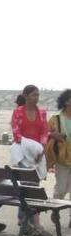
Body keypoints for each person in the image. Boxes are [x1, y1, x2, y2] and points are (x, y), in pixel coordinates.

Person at [10, 85, 51, 236]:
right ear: (26, 96)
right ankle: (27, 221)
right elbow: (16, 133)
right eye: (34, 95)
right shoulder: (18, 112)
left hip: (36, 154)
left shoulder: (42, 113)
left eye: (38, 95)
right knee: (27, 188)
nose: (36, 97)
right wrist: (30, 148)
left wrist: (40, 150)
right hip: (23, 153)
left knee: (32, 186)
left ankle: (26, 221)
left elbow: (44, 132)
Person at [46, 89, 71, 228]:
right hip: (62, 158)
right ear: (67, 101)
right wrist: (53, 135)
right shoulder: (56, 118)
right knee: (61, 188)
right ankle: (56, 211)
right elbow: (46, 134)